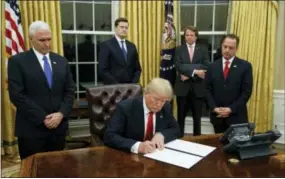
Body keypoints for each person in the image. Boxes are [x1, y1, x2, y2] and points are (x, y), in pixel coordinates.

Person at [8, 21, 75, 159]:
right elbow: (17, 95)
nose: (47, 44)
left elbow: (69, 91)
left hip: (58, 128)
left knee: (57, 169)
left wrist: (61, 114)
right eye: (42, 40)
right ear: (31, 39)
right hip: (32, 129)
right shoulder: (17, 61)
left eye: (49, 39)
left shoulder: (61, 61)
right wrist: (43, 118)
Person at [103, 78, 181, 154]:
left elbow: (176, 129)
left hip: (156, 155)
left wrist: (162, 135)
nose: (159, 104)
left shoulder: (165, 107)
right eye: (156, 99)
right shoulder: (125, 108)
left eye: (163, 101)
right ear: (146, 93)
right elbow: (109, 136)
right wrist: (138, 146)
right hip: (129, 157)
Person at [205, 34, 253, 133]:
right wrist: (214, 108)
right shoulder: (212, 66)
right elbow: (207, 90)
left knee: (237, 148)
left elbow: (246, 92)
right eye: (225, 47)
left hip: (237, 118)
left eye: (231, 48)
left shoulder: (245, 66)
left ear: (236, 49)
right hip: (217, 118)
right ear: (221, 46)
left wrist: (231, 109)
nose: (227, 50)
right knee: (219, 147)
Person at [174, 26, 210, 136]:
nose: (189, 37)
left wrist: (189, 74)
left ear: (196, 37)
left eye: (192, 35)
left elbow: (205, 65)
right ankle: (179, 140)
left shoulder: (203, 49)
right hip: (182, 89)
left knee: (197, 118)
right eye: (187, 35)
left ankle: (197, 141)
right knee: (180, 117)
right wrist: (195, 71)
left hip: (198, 88)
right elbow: (179, 66)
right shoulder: (179, 49)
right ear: (184, 37)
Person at [99, 17, 142, 84]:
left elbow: (137, 69)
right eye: (122, 27)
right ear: (116, 28)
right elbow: (103, 70)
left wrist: (133, 84)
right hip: (113, 88)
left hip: (130, 88)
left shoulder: (132, 46)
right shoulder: (106, 45)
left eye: (126, 27)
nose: (124, 29)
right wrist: (117, 86)